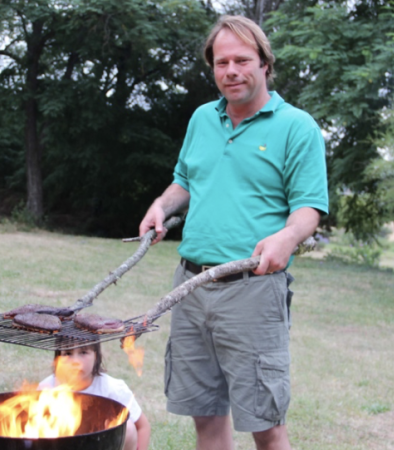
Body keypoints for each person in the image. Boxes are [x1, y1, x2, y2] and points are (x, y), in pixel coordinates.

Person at [138, 15, 329, 450]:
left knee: (265, 422)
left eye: (242, 59)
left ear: (265, 63)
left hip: (253, 290)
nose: (231, 71)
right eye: (221, 62)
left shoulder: (297, 127)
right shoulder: (203, 119)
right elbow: (184, 180)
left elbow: (309, 209)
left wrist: (286, 238)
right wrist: (160, 207)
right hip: (189, 286)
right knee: (204, 415)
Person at [38, 343, 151, 450]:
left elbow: (143, 427)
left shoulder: (112, 389)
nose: (75, 361)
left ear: (96, 355)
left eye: (83, 352)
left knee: (129, 428)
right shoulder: (48, 388)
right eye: (67, 353)